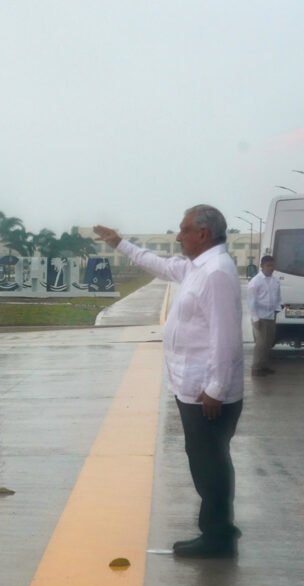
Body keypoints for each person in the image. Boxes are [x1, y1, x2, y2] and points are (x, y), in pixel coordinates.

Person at [94, 205, 243, 559]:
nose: (178, 236)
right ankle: (216, 532)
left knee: (211, 463)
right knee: (204, 460)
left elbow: (226, 337)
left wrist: (216, 389)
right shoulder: (196, 268)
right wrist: (120, 244)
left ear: (203, 234)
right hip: (193, 388)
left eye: (183, 229)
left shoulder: (216, 273)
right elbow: (158, 264)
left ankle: (218, 538)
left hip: (207, 391)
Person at [247, 255, 281, 377]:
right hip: (260, 317)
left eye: (272, 265)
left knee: (268, 343)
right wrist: (255, 319)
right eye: (268, 266)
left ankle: (264, 365)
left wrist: (277, 309)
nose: (271, 268)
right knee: (261, 344)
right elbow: (251, 302)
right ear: (262, 266)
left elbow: (278, 297)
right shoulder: (255, 282)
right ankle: (256, 368)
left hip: (271, 316)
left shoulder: (275, 280)